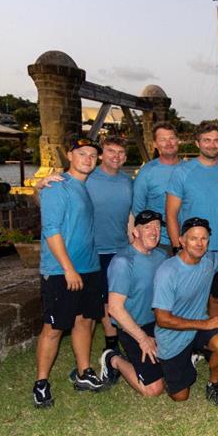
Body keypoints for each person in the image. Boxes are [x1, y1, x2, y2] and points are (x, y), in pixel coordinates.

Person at [33, 136, 104, 408]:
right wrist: (68, 269)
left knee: (85, 320)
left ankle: (84, 372)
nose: (87, 158)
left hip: (89, 267)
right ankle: (41, 382)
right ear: (70, 155)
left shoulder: (83, 186)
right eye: (81, 153)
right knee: (54, 327)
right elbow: (51, 230)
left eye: (91, 155)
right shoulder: (57, 186)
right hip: (63, 271)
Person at [152, 217, 218, 405]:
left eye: (204, 239)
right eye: (193, 238)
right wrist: (205, 324)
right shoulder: (167, 272)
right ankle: (168, 366)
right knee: (180, 397)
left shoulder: (208, 260)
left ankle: (213, 386)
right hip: (173, 334)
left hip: (198, 328)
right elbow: (162, 319)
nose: (199, 243)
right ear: (181, 241)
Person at [166, 121, 218, 317]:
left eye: (216, 141)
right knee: (190, 300)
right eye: (206, 140)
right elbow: (171, 213)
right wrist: (177, 247)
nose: (212, 145)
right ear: (197, 143)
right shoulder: (182, 172)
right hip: (192, 248)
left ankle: (213, 340)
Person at [100, 210, 168, 397]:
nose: (154, 231)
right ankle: (113, 358)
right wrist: (142, 338)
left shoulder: (162, 256)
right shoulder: (123, 262)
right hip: (133, 326)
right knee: (153, 389)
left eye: (157, 227)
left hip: (159, 324)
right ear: (135, 232)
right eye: (147, 227)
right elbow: (114, 308)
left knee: (174, 379)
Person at [84, 136, 133, 356]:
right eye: (111, 151)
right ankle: (111, 342)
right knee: (102, 300)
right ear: (102, 153)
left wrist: (132, 241)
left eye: (121, 152)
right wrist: (40, 184)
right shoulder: (87, 177)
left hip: (121, 248)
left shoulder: (127, 181)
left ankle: (121, 336)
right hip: (95, 249)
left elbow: (130, 213)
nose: (116, 156)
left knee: (119, 295)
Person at [132, 121, 181, 254]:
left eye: (171, 138)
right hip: (159, 244)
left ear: (178, 140)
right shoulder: (146, 172)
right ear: (154, 144)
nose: (168, 143)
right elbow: (138, 210)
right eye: (162, 139)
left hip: (189, 240)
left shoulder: (190, 170)